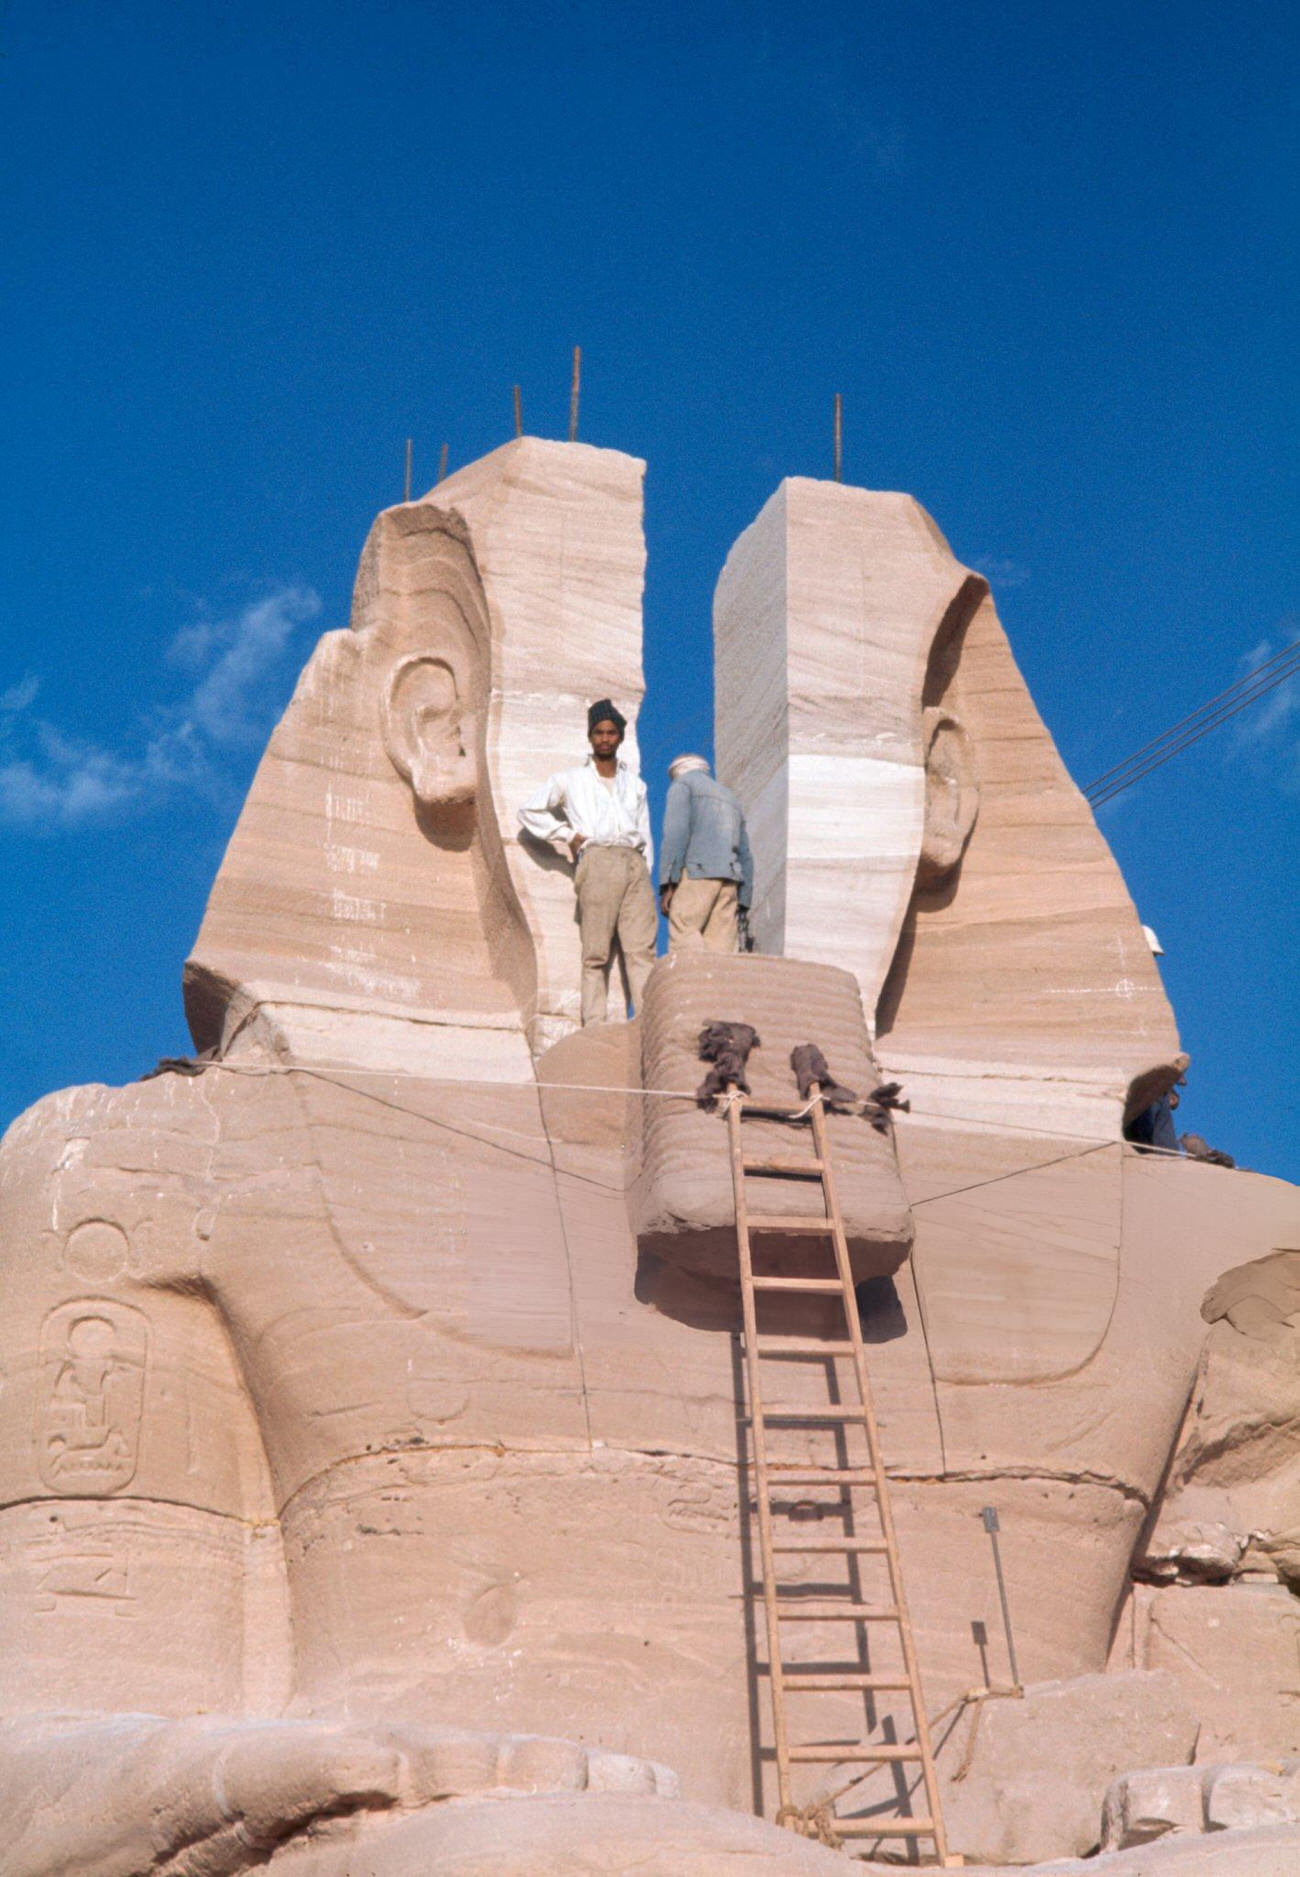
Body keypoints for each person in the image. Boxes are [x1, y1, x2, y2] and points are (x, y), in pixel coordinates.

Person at [518, 699, 657, 1024]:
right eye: (598, 733)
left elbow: (645, 831)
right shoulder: (572, 779)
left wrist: (645, 870)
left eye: (611, 733)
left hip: (633, 862)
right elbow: (528, 811)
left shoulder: (635, 784)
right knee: (596, 952)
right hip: (598, 860)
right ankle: (593, 1023)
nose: (605, 739)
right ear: (590, 737)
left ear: (620, 737)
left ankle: (649, 1023)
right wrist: (567, 835)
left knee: (641, 951)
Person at [657, 754, 753, 953]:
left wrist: (669, 882)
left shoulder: (683, 786)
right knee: (721, 945)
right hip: (729, 879)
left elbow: (676, 835)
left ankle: (691, 981)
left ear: (677, 772)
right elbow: (745, 854)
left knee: (684, 927)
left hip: (697, 872)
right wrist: (744, 898)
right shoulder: (730, 797)